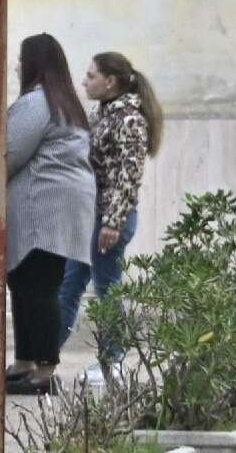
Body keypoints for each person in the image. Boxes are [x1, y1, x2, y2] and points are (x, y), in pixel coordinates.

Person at [4, 33, 96, 397]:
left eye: (20, 59)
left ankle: (43, 370)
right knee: (29, 286)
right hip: (63, 209)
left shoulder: (35, 103)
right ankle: (27, 362)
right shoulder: (66, 102)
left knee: (37, 289)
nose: (16, 66)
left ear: (33, 64)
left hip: (42, 209)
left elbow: (8, 152)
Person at [60, 51, 163, 373]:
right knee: (70, 284)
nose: (84, 82)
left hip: (109, 219)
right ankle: (46, 355)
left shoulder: (129, 119)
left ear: (111, 81)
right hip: (92, 215)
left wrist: (112, 223)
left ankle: (113, 360)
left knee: (107, 290)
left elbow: (128, 176)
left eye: (91, 76)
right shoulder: (104, 113)